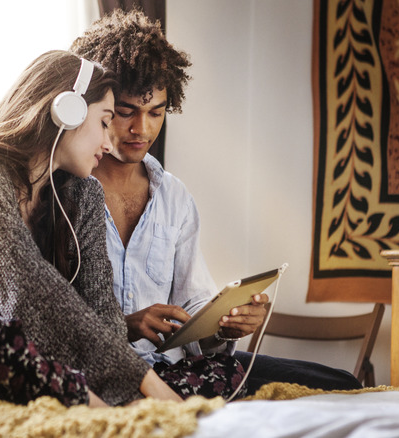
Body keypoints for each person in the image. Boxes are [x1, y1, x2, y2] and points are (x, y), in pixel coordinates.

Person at [71, 10, 362, 395]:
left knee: (338, 383)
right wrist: (125, 322)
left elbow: (193, 307)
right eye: (126, 112)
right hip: (106, 370)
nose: (142, 129)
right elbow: (51, 311)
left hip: (174, 364)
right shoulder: (65, 194)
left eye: (156, 112)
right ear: (100, 107)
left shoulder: (173, 197)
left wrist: (224, 323)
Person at [0, 50, 183, 407]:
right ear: (65, 111)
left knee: (211, 372)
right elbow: (24, 288)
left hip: (37, 370)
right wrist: (147, 385)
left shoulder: (83, 193)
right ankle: (118, 422)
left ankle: (116, 416)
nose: (108, 141)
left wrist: (135, 387)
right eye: (104, 122)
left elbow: (105, 316)